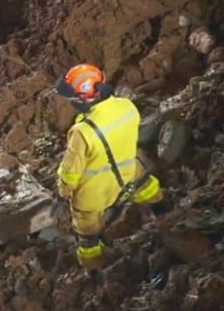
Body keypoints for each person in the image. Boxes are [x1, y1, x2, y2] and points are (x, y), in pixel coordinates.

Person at [53, 63, 164, 270]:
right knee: (147, 186)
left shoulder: (82, 132)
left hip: (94, 192)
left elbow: (70, 172)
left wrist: (62, 194)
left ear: (84, 98)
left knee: (87, 233)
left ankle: (93, 269)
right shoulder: (127, 107)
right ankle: (163, 211)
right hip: (129, 172)